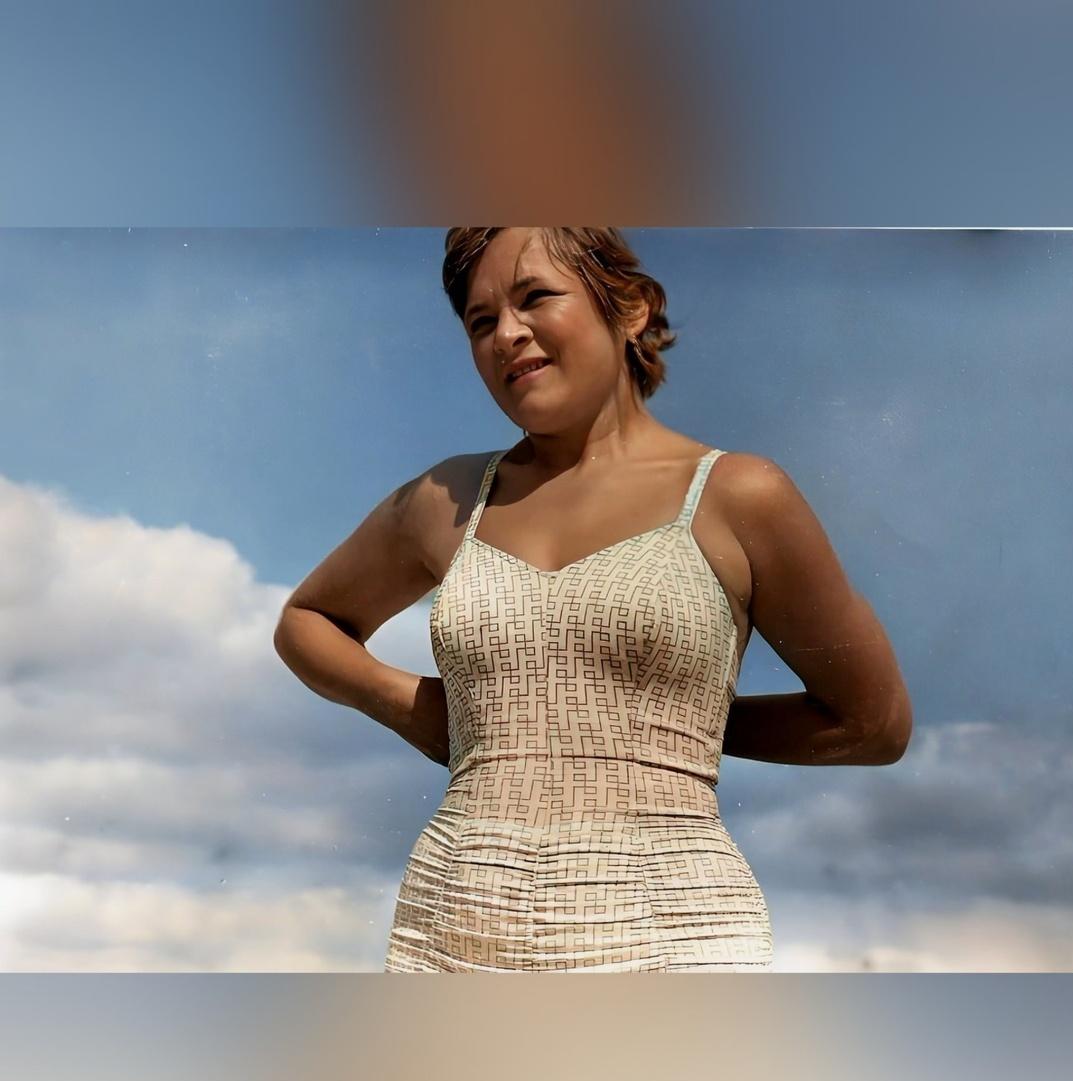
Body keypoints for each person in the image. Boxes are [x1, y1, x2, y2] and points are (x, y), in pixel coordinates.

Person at [274, 227, 912, 972]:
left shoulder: (739, 495)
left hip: (671, 936)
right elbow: (305, 622)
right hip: (452, 930)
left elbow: (874, 725)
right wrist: (411, 706)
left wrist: (669, 727)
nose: (506, 334)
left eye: (535, 297)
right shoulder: (446, 501)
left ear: (630, 308)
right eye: (481, 321)